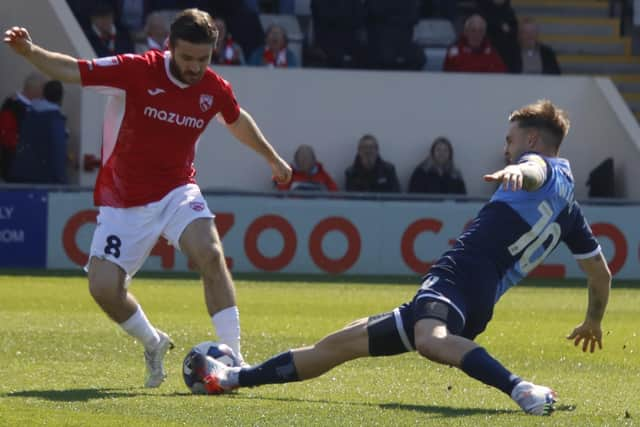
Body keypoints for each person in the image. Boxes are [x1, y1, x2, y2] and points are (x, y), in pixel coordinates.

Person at [196, 100, 612, 417]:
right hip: (479, 297)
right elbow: (601, 275)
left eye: (512, 141)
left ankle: (522, 389)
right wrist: (593, 319)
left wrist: (523, 171)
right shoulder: (570, 211)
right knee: (341, 344)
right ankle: (234, 377)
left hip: (458, 275)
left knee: (430, 341)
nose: (508, 151)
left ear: (533, 141)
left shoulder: (539, 169)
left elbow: (537, 168)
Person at [3, 8, 292, 388]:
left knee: (211, 253)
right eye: (187, 58)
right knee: (104, 289)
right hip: (124, 200)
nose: (194, 67)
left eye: (203, 59)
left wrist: (272, 158)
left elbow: (236, 119)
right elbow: (74, 69)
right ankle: (154, 343)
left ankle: (234, 359)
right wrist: (30, 52)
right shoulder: (135, 70)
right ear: (170, 47)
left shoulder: (214, 88)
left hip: (177, 191)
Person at [8, 80, 68, 184]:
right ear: (60, 98)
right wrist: (61, 181)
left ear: (43, 94)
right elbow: (57, 152)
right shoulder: (54, 120)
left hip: (21, 177)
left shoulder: (28, 113)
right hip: (44, 180)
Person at [0, 72, 46, 180]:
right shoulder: (11, 105)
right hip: (13, 166)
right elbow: (7, 137)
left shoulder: (35, 107)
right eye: (42, 92)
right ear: (34, 91)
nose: (43, 96)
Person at [443, 14, 507, 73]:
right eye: (473, 30)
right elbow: (447, 79)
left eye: (480, 31)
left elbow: (501, 77)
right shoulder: (454, 53)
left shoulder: (493, 54)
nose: (477, 35)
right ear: (466, 32)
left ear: (484, 33)